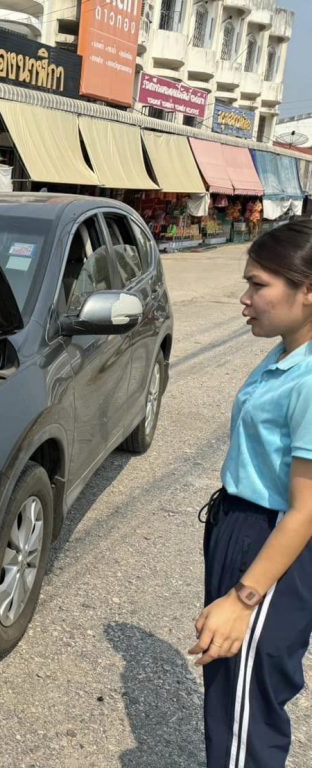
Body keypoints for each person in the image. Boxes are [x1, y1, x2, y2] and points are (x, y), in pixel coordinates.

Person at [191, 218, 312, 767]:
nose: (245, 298)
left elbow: (305, 510)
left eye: (259, 285)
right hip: (242, 525)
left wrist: (243, 600)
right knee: (231, 694)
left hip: (272, 540)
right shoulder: (287, 353)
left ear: (308, 291)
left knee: (245, 706)